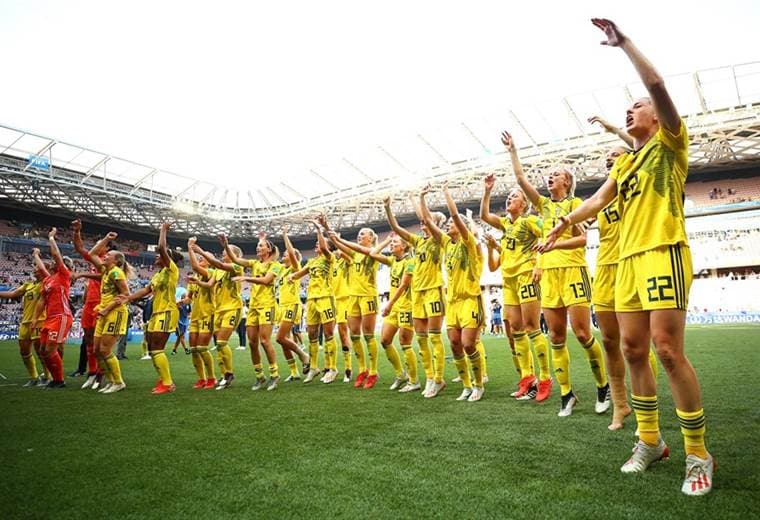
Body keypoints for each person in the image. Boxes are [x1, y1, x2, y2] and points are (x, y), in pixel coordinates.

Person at [543, 18, 713, 496]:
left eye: (637, 106)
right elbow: (597, 201)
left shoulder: (671, 141)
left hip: (662, 253)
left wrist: (625, 45)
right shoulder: (625, 160)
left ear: (656, 117)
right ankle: (649, 440)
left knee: (666, 349)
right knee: (634, 350)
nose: (633, 108)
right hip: (627, 263)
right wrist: (563, 221)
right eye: (631, 106)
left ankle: (698, 452)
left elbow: (656, 84)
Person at [502, 130, 609, 417]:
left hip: (573, 271)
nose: (550, 177)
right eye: (549, 174)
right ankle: (566, 394)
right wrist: (513, 151)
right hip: (549, 275)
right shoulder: (544, 205)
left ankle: (602, 386)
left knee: (584, 333)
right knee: (556, 337)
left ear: (567, 182)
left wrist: (553, 242)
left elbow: (585, 240)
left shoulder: (576, 205)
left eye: (556, 174)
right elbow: (522, 180)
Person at [587, 116, 660, 431]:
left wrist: (615, 130)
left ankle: (646, 398)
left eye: (615, 156)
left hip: (632, 264)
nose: (610, 161)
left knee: (638, 341)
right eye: (607, 159)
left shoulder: (639, 182)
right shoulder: (603, 198)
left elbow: (640, 147)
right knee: (608, 339)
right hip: (604, 268)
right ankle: (620, 404)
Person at [481, 176, 554, 402]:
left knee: (532, 327)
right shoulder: (506, 224)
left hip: (526, 275)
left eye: (515, 196)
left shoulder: (530, 221)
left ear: (524, 204)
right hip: (509, 279)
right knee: (515, 328)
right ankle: (527, 378)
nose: (509, 199)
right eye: (509, 196)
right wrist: (487, 191)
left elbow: (546, 235)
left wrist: (539, 265)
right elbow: (484, 216)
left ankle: (545, 378)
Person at [421, 182, 486, 401]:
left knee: (469, 344)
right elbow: (429, 222)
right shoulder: (447, 244)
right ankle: (467, 386)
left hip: (470, 300)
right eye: (447, 223)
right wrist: (422, 198)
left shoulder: (469, 242)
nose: (449, 224)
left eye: (452, 223)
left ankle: (478, 384)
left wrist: (446, 192)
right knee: (455, 345)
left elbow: (456, 215)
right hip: (452, 302)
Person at [384, 193, 448, 398]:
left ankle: (438, 379)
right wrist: (387, 208)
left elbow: (428, 218)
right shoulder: (418, 242)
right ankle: (429, 377)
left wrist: (419, 199)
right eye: (421, 223)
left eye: (425, 222)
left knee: (435, 338)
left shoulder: (439, 240)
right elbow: (396, 229)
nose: (422, 226)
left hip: (434, 291)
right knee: (420, 339)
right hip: (418, 295)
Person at [321, 216, 386, 389]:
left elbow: (347, 245)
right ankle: (362, 369)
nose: (359, 236)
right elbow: (337, 243)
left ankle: (373, 371)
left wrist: (339, 239)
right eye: (358, 234)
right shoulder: (354, 253)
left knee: (368, 334)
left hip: (368, 296)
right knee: (354, 334)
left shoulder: (374, 251)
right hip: (353, 297)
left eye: (363, 234)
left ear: (371, 238)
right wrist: (326, 226)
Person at [119, 223, 183, 394]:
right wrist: (129, 297)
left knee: (157, 347)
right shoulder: (157, 275)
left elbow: (161, 247)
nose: (155, 258)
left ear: (165, 258)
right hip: (156, 313)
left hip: (168, 312)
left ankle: (168, 383)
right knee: (152, 346)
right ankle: (163, 378)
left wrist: (163, 230)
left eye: (158, 256)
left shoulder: (172, 270)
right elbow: (146, 290)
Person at [223, 232, 282, 391]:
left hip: (267, 305)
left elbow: (265, 281)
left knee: (265, 340)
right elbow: (235, 259)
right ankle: (259, 376)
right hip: (254, 307)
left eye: (261, 246)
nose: (257, 248)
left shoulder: (275, 265)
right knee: (252, 342)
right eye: (257, 246)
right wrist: (225, 244)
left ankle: (275, 375)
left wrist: (246, 279)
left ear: (268, 250)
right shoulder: (254, 263)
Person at [80, 229, 132, 394]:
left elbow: (126, 295)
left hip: (115, 313)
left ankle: (118, 382)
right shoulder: (106, 271)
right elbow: (92, 253)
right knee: (96, 350)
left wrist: (107, 308)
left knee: (104, 350)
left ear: (116, 261)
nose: (105, 256)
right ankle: (111, 381)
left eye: (109, 255)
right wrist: (106, 238)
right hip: (103, 312)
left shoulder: (117, 272)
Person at [190, 237, 244, 390]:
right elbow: (209, 284)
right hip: (219, 309)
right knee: (219, 345)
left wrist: (199, 250)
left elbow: (218, 263)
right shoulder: (218, 271)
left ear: (234, 255)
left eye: (225, 252)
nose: (223, 255)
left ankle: (228, 373)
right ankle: (224, 374)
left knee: (221, 342)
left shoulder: (237, 266)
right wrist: (197, 283)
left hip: (233, 307)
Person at [288, 219, 336, 383]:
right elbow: (299, 273)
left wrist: (318, 229)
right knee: (312, 335)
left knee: (329, 334)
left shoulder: (330, 258)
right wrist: (291, 276)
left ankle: (331, 368)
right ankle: (314, 367)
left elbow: (323, 247)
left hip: (326, 298)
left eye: (320, 243)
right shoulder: (312, 261)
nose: (317, 245)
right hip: (311, 300)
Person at [32, 228, 74, 389]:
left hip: (62, 316)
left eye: (62, 262)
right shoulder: (48, 280)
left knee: (50, 350)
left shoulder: (64, 275)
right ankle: (54, 378)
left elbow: (56, 255)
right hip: (50, 318)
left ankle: (59, 380)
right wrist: (36, 319)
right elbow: (42, 300)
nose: (57, 262)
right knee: (43, 350)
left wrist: (51, 238)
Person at [377, 233, 419, 393]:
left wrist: (389, 304)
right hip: (394, 307)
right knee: (385, 340)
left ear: (404, 246)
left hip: (406, 306)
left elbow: (404, 285)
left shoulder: (410, 262)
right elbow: (373, 253)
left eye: (394, 242)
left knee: (405, 343)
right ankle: (400, 374)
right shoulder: (393, 260)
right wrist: (386, 239)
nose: (391, 244)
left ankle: (414, 381)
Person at [0, 255, 47, 386]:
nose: (34, 269)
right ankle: (34, 378)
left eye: (36, 268)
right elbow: (13, 294)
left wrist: (37, 255)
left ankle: (48, 376)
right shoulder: (28, 285)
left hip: (39, 321)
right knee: (24, 351)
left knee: (40, 351)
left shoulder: (46, 284)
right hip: (25, 322)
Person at [276, 227, 311, 382]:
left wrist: (285, 236)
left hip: (292, 305)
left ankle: (304, 356)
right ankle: (294, 372)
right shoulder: (282, 271)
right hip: (281, 306)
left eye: (286, 254)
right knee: (284, 341)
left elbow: (291, 253)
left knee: (280, 337)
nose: (284, 255)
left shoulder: (296, 268)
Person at [186, 237, 218, 389]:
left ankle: (212, 378)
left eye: (204, 258)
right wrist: (183, 301)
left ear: (210, 261)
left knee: (202, 348)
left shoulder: (211, 272)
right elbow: (189, 298)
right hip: (195, 316)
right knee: (193, 349)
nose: (200, 259)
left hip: (207, 314)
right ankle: (201, 378)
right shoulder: (195, 278)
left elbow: (194, 266)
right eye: (200, 257)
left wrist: (190, 248)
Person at [328, 233, 353, 382]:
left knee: (343, 334)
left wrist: (336, 241)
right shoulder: (330, 263)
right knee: (329, 334)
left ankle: (348, 368)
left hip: (344, 300)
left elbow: (346, 254)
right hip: (332, 301)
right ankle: (331, 368)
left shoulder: (345, 261)